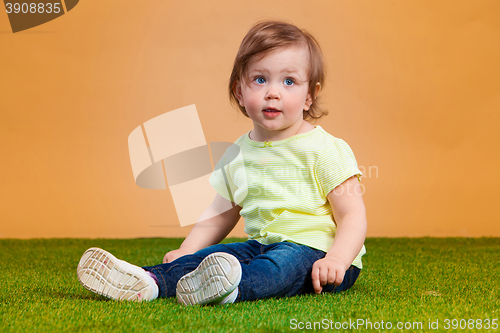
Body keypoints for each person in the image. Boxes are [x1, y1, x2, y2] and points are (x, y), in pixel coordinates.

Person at [77, 20, 367, 306]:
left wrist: (338, 259)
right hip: (262, 246)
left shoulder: (324, 148)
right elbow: (219, 213)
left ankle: (230, 288)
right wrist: (187, 250)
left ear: (309, 96)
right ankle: (150, 282)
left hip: (318, 253)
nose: (273, 92)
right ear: (240, 92)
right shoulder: (239, 152)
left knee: (279, 267)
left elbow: (352, 214)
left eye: (289, 81)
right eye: (260, 79)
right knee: (218, 257)